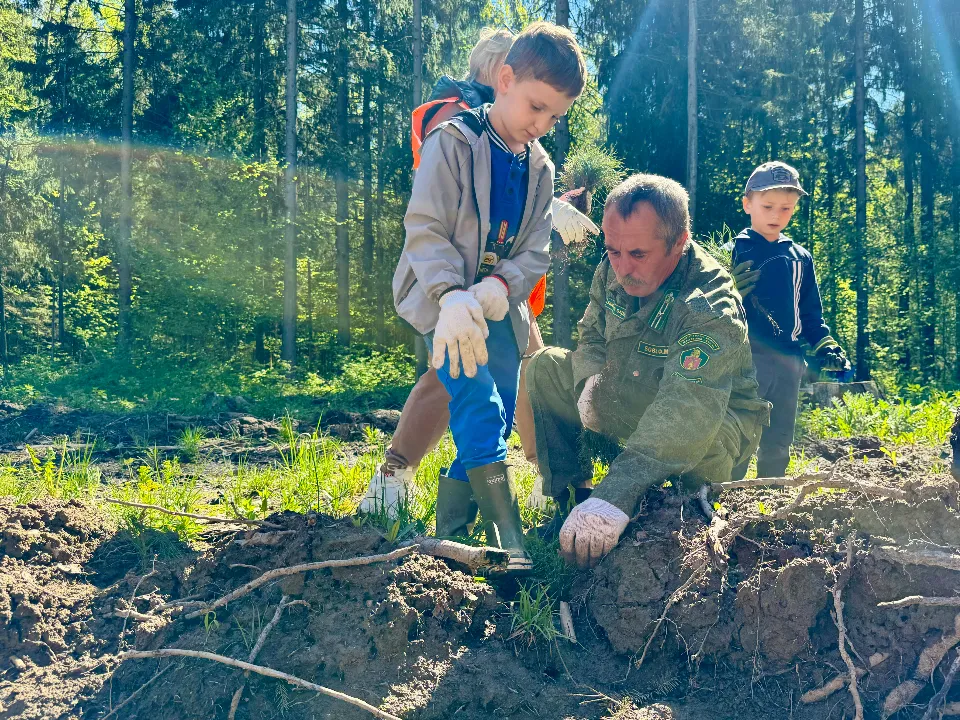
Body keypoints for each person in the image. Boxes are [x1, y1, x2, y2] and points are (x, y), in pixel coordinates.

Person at [360, 27, 597, 518]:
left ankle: (456, 518)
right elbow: (425, 226)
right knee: (474, 399)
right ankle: (489, 520)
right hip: (442, 294)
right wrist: (450, 294)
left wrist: (500, 284)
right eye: (536, 108)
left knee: (506, 401)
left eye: (555, 116)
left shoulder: (541, 166)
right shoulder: (454, 138)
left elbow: (534, 249)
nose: (543, 124)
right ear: (504, 79)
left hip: (498, 301)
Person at [525, 174, 771, 568]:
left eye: (638, 254)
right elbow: (590, 333)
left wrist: (617, 493)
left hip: (709, 420)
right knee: (548, 367)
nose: (622, 267)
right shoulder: (613, 266)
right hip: (639, 392)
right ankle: (572, 503)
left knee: (692, 465)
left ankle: (678, 520)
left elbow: (685, 411)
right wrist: (590, 384)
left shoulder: (707, 306)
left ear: (679, 240)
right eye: (613, 250)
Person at [729, 161, 849, 479]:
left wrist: (826, 345)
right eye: (767, 206)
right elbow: (704, 311)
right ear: (747, 204)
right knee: (737, 435)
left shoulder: (800, 258)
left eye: (787, 208)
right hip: (744, 360)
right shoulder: (731, 253)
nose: (776, 215)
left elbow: (811, 314)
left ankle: (771, 501)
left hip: (789, 361)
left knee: (779, 438)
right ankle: (723, 501)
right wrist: (728, 290)